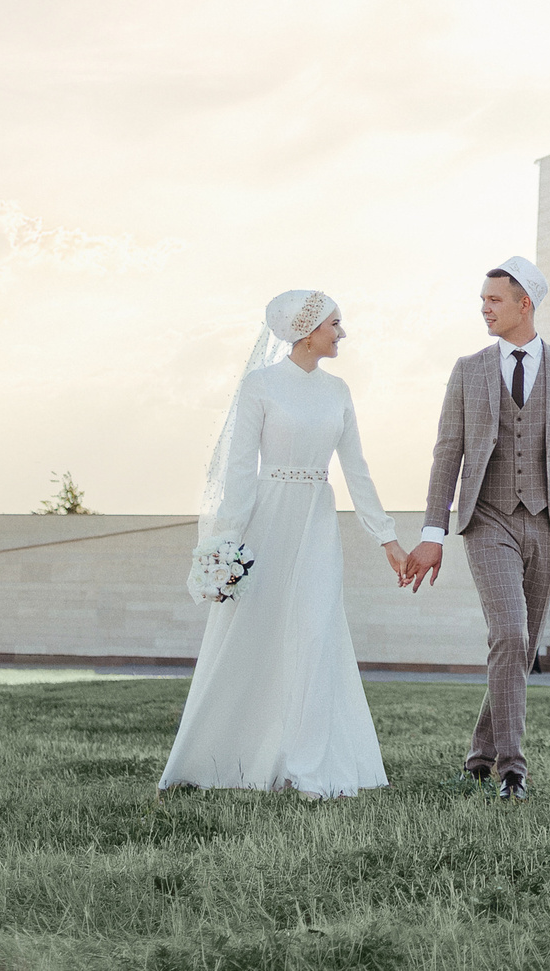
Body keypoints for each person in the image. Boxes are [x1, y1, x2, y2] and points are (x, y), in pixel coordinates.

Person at [160, 290, 408, 799]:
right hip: (265, 524)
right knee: (256, 630)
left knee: (316, 630)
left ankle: (307, 764)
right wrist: (227, 541)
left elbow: (356, 469)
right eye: (336, 323)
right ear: (307, 328)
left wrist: (387, 538)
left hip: (318, 523)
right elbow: (238, 469)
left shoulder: (338, 391)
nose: (343, 332)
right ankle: (228, 755)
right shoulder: (260, 386)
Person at [401, 258, 550, 800]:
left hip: (549, 522)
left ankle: (478, 754)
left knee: (520, 643)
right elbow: (448, 452)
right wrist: (432, 530)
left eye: (494, 300)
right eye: (483, 301)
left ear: (525, 304)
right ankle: (511, 768)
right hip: (486, 519)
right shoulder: (468, 369)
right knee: (512, 634)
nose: (485, 309)